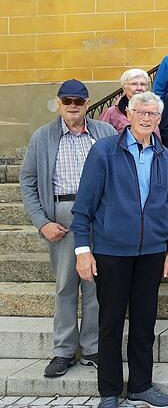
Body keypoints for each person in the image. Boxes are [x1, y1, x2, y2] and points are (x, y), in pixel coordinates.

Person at [72, 91, 168, 408]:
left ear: (159, 119)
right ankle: (108, 391)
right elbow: (84, 206)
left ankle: (140, 385)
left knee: (145, 322)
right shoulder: (105, 151)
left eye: (153, 114)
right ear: (128, 114)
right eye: (140, 112)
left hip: (151, 253)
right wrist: (82, 250)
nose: (146, 118)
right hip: (111, 252)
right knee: (110, 322)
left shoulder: (166, 157)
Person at [20, 79, 116, 378]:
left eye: (78, 101)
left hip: (99, 215)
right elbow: (28, 181)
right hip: (61, 214)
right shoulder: (43, 136)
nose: (72, 106)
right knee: (65, 285)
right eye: (67, 101)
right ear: (58, 103)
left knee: (95, 284)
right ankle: (63, 350)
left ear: (88, 104)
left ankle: (92, 347)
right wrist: (42, 222)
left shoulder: (105, 132)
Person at [99, 69, 156, 134]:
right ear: (124, 88)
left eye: (143, 84)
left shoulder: (153, 110)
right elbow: (101, 136)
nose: (139, 88)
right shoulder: (111, 113)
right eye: (134, 84)